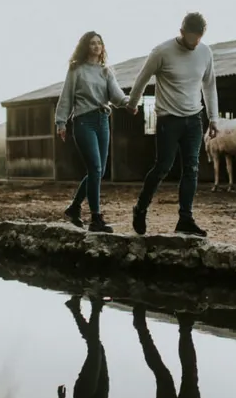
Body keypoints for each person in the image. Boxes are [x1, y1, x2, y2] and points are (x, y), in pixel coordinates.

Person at [126, 12, 219, 237]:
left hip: (194, 119)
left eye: (198, 39)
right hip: (169, 119)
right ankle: (140, 209)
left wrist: (214, 117)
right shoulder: (162, 52)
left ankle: (185, 219)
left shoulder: (205, 52)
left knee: (192, 169)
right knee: (163, 167)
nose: (194, 43)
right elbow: (142, 77)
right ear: (181, 32)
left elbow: (209, 85)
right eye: (191, 39)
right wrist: (133, 102)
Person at [55, 31, 130, 233]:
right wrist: (61, 122)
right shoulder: (76, 70)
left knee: (98, 171)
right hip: (83, 122)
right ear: (85, 47)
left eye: (99, 43)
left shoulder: (106, 71)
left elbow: (116, 95)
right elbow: (66, 97)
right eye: (92, 43)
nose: (96, 46)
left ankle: (74, 207)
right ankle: (96, 219)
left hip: (103, 120)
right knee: (96, 168)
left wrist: (128, 102)